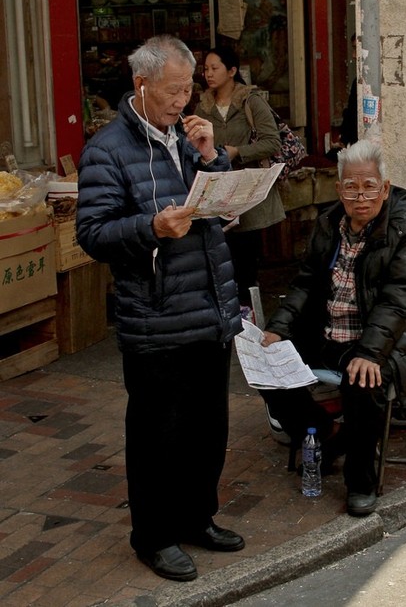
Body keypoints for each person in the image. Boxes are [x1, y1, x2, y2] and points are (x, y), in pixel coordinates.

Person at [76, 35, 245, 583]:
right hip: (154, 316)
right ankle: (153, 536)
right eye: (172, 90)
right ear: (141, 85)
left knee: (208, 429)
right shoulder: (107, 149)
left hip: (209, 306)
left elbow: (215, 210)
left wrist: (211, 159)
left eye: (187, 89)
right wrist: (149, 227)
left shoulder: (186, 136)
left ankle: (198, 518)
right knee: (157, 436)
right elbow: (93, 232)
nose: (181, 100)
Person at [260, 139, 406, 517]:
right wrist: (278, 329)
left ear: (385, 188)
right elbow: (306, 282)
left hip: (395, 340)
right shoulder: (329, 224)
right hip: (332, 333)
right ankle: (325, 434)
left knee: (362, 380)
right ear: (339, 189)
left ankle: (360, 481)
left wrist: (370, 351)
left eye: (369, 187)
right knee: (267, 364)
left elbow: (401, 296)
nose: (361, 197)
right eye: (351, 187)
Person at [196, 46, 285, 308]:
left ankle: (250, 315)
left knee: (246, 258)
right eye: (205, 69)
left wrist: (238, 152)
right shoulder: (203, 107)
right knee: (222, 255)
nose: (209, 74)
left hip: (247, 190)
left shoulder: (250, 101)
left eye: (215, 68)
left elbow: (272, 142)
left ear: (232, 71)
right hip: (218, 191)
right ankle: (228, 312)